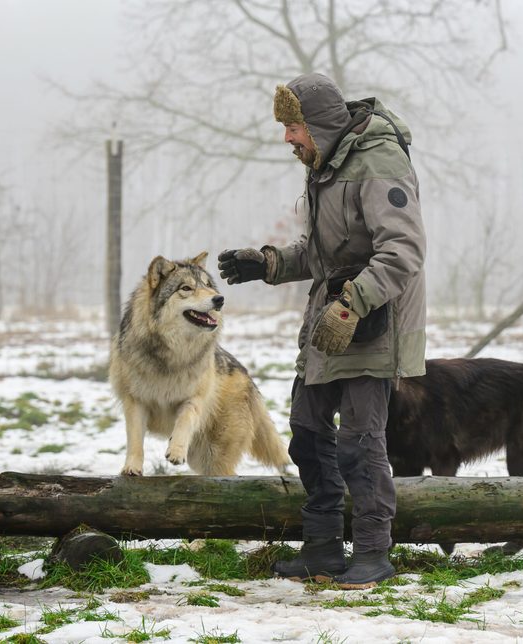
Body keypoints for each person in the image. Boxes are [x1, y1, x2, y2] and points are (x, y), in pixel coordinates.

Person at [218, 72, 426, 588]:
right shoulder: (326, 166)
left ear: (321, 125)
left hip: (372, 323)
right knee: (308, 433)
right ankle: (323, 548)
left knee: (360, 442)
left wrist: (352, 304)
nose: (287, 137)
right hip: (328, 322)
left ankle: (373, 552)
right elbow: (321, 253)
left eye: (294, 127)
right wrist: (267, 263)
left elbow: (403, 251)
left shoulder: (378, 161)